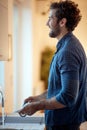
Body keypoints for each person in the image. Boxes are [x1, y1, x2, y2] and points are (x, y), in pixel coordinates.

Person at [19, 0, 87, 130]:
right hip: (65, 122)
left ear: (62, 22)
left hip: (64, 124)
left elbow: (68, 96)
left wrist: (37, 106)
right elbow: (60, 87)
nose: (47, 23)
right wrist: (38, 98)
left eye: (50, 18)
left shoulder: (68, 52)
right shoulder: (68, 46)